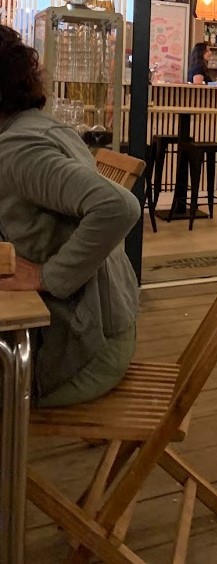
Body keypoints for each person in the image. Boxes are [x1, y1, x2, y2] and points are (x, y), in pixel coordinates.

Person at [0, 26, 140, 407]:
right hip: (103, 329)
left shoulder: (17, 149)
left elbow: (119, 207)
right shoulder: (37, 127)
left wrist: (47, 276)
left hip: (83, 352)